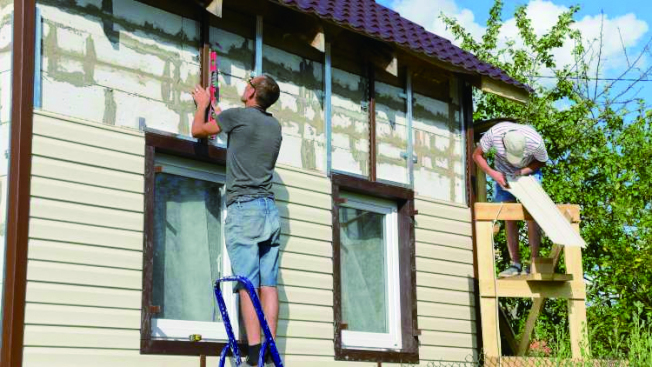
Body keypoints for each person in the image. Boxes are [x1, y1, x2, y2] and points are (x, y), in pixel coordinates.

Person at [192, 74, 282, 366]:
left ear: (253, 92)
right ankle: (269, 346)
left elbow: (197, 130)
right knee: (268, 283)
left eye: (249, 83)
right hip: (270, 210)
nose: (245, 85)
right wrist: (221, 113)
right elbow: (239, 130)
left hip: (245, 210)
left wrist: (203, 105)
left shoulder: (236, 117)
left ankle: (254, 350)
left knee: (247, 283)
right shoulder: (273, 126)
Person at [472, 120, 549, 277]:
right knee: (509, 215)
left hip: (528, 173)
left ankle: (534, 262)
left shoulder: (535, 141)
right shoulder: (494, 134)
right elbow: (476, 155)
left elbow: (542, 161)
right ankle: (515, 264)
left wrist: (523, 171)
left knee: (532, 214)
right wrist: (493, 173)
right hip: (502, 174)